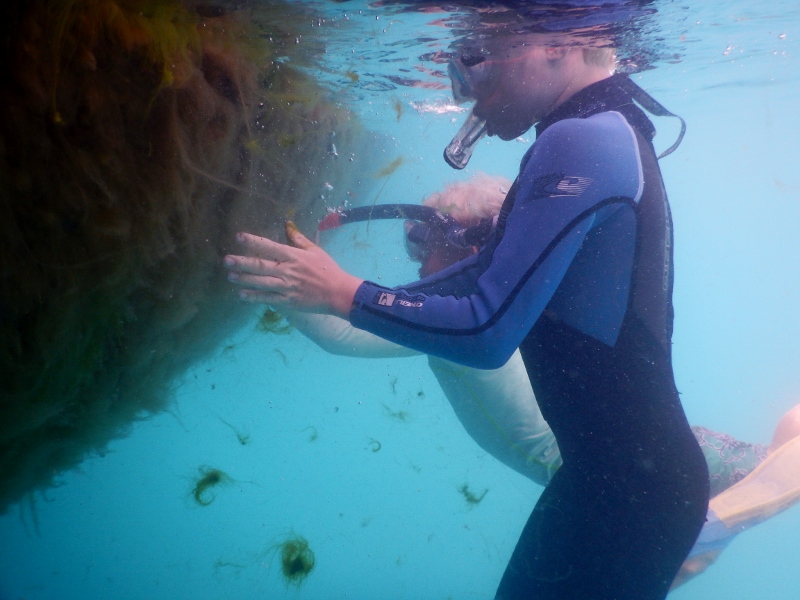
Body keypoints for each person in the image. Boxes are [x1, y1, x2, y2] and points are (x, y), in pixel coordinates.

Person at [224, 28, 711, 598]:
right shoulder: (600, 131)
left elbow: (484, 331)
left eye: (479, 58)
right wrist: (317, 280)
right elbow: (471, 282)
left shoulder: (583, 140)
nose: (464, 89)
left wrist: (342, 292)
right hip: (616, 486)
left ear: (556, 41)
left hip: (628, 495)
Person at [291, 173, 800, 588]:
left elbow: (341, 336)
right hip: (645, 464)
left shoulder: (456, 317)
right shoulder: (508, 298)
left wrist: (284, 271)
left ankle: (720, 517)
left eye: (425, 240)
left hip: (626, 478)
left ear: (472, 246)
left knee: (784, 463)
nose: (418, 261)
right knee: (780, 451)